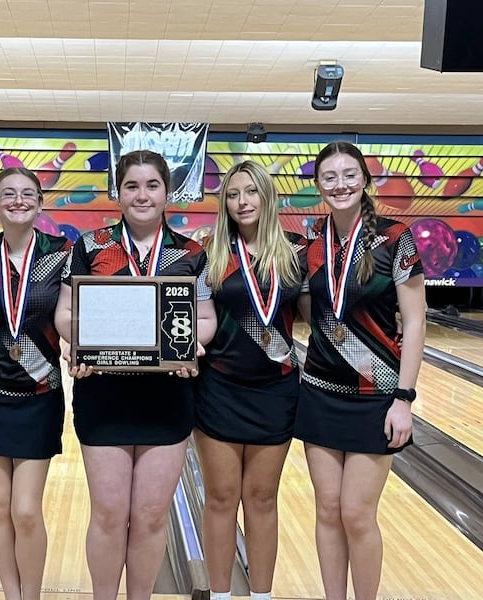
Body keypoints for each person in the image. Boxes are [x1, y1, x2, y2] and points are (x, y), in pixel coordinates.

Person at [54, 150, 217, 600]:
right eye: (131, 186)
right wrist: (82, 342)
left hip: (166, 398)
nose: (141, 195)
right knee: (108, 513)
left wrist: (192, 347)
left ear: (167, 192)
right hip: (104, 395)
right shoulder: (91, 247)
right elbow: (67, 313)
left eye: (151, 185)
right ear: (117, 193)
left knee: (149, 516)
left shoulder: (190, 253)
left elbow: (205, 319)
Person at [294, 141, 426, 600]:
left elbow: (414, 320)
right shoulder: (312, 240)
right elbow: (314, 309)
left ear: (365, 180)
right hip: (320, 391)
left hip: (377, 396)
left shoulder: (396, 237)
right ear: (318, 185)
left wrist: (404, 400)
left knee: (356, 512)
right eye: (329, 177)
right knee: (328, 509)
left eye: (349, 175)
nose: (340, 185)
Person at [193, 160, 308, 600]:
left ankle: (262, 595)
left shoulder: (296, 253)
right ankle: (220, 595)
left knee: (261, 497)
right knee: (221, 497)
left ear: (267, 196)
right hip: (219, 387)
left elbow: (321, 314)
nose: (242, 201)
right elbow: (198, 318)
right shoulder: (211, 254)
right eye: (234, 194)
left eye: (251, 192)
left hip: (275, 390)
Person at [0, 167, 73, 600]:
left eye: (28, 194)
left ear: (40, 203)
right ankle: (12, 594)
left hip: (39, 394)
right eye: (8, 194)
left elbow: (74, 313)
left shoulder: (61, 253)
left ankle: (32, 595)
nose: (19, 200)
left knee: (26, 511)